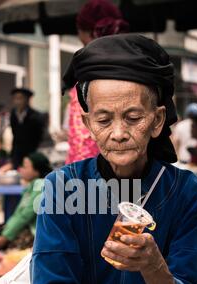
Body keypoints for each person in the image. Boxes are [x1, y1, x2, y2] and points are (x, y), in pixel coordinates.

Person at [29, 34, 197, 284]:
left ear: (157, 120)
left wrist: (153, 265)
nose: (118, 134)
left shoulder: (190, 194)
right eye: (103, 119)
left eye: (133, 117)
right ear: (87, 123)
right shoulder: (62, 187)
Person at [65, 0, 129, 164]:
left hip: (93, 173)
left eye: (79, 30)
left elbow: (82, 141)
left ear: (89, 33)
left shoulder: (90, 71)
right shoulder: (129, 66)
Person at [0, 152, 52, 250]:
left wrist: (5, 236)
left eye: (25, 167)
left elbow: (24, 216)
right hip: (23, 229)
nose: (20, 169)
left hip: (31, 233)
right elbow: (19, 215)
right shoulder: (35, 185)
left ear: (37, 170)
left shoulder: (40, 185)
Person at [10, 88, 46, 169]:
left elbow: (40, 136)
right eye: (15, 98)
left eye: (20, 98)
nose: (17, 101)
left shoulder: (36, 116)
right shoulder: (13, 114)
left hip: (31, 153)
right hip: (17, 154)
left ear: (27, 100)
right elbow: (14, 134)